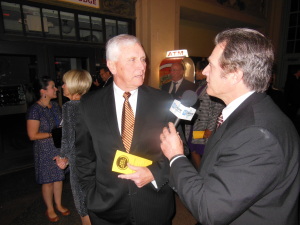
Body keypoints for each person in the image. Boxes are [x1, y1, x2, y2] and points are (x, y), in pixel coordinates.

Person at [160, 28, 300, 225]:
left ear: (235, 74)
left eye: (210, 64)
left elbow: (210, 210)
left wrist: (176, 157)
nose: (205, 71)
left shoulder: (257, 136)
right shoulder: (245, 113)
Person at [75, 34, 175, 225]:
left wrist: (154, 173)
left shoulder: (164, 102)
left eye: (143, 59)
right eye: (132, 60)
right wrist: (90, 196)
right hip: (107, 209)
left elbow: (180, 152)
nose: (142, 66)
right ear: (112, 65)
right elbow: (84, 158)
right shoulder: (89, 104)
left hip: (153, 206)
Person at [26, 76, 70, 223]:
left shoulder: (55, 106)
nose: (56, 89)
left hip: (58, 147)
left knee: (58, 178)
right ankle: (50, 208)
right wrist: (53, 134)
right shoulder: (35, 110)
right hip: (44, 149)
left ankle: (58, 204)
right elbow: (32, 135)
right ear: (43, 91)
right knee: (48, 181)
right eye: (53, 87)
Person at [54, 70, 92, 225]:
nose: (62, 86)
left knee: (83, 207)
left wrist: (63, 158)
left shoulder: (69, 107)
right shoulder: (92, 103)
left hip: (79, 165)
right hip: (94, 161)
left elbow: (67, 138)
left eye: (65, 83)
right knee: (93, 204)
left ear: (73, 85)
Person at [186, 60, 225, 169]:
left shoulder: (211, 86)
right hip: (196, 125)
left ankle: (203, 174)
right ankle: (200, 173)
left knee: (203, 150)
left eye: (198, 70)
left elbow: (217, 108)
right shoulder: (200, 86)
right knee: (193, 149)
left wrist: (211, 128)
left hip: (204, 126)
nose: (196, 73)